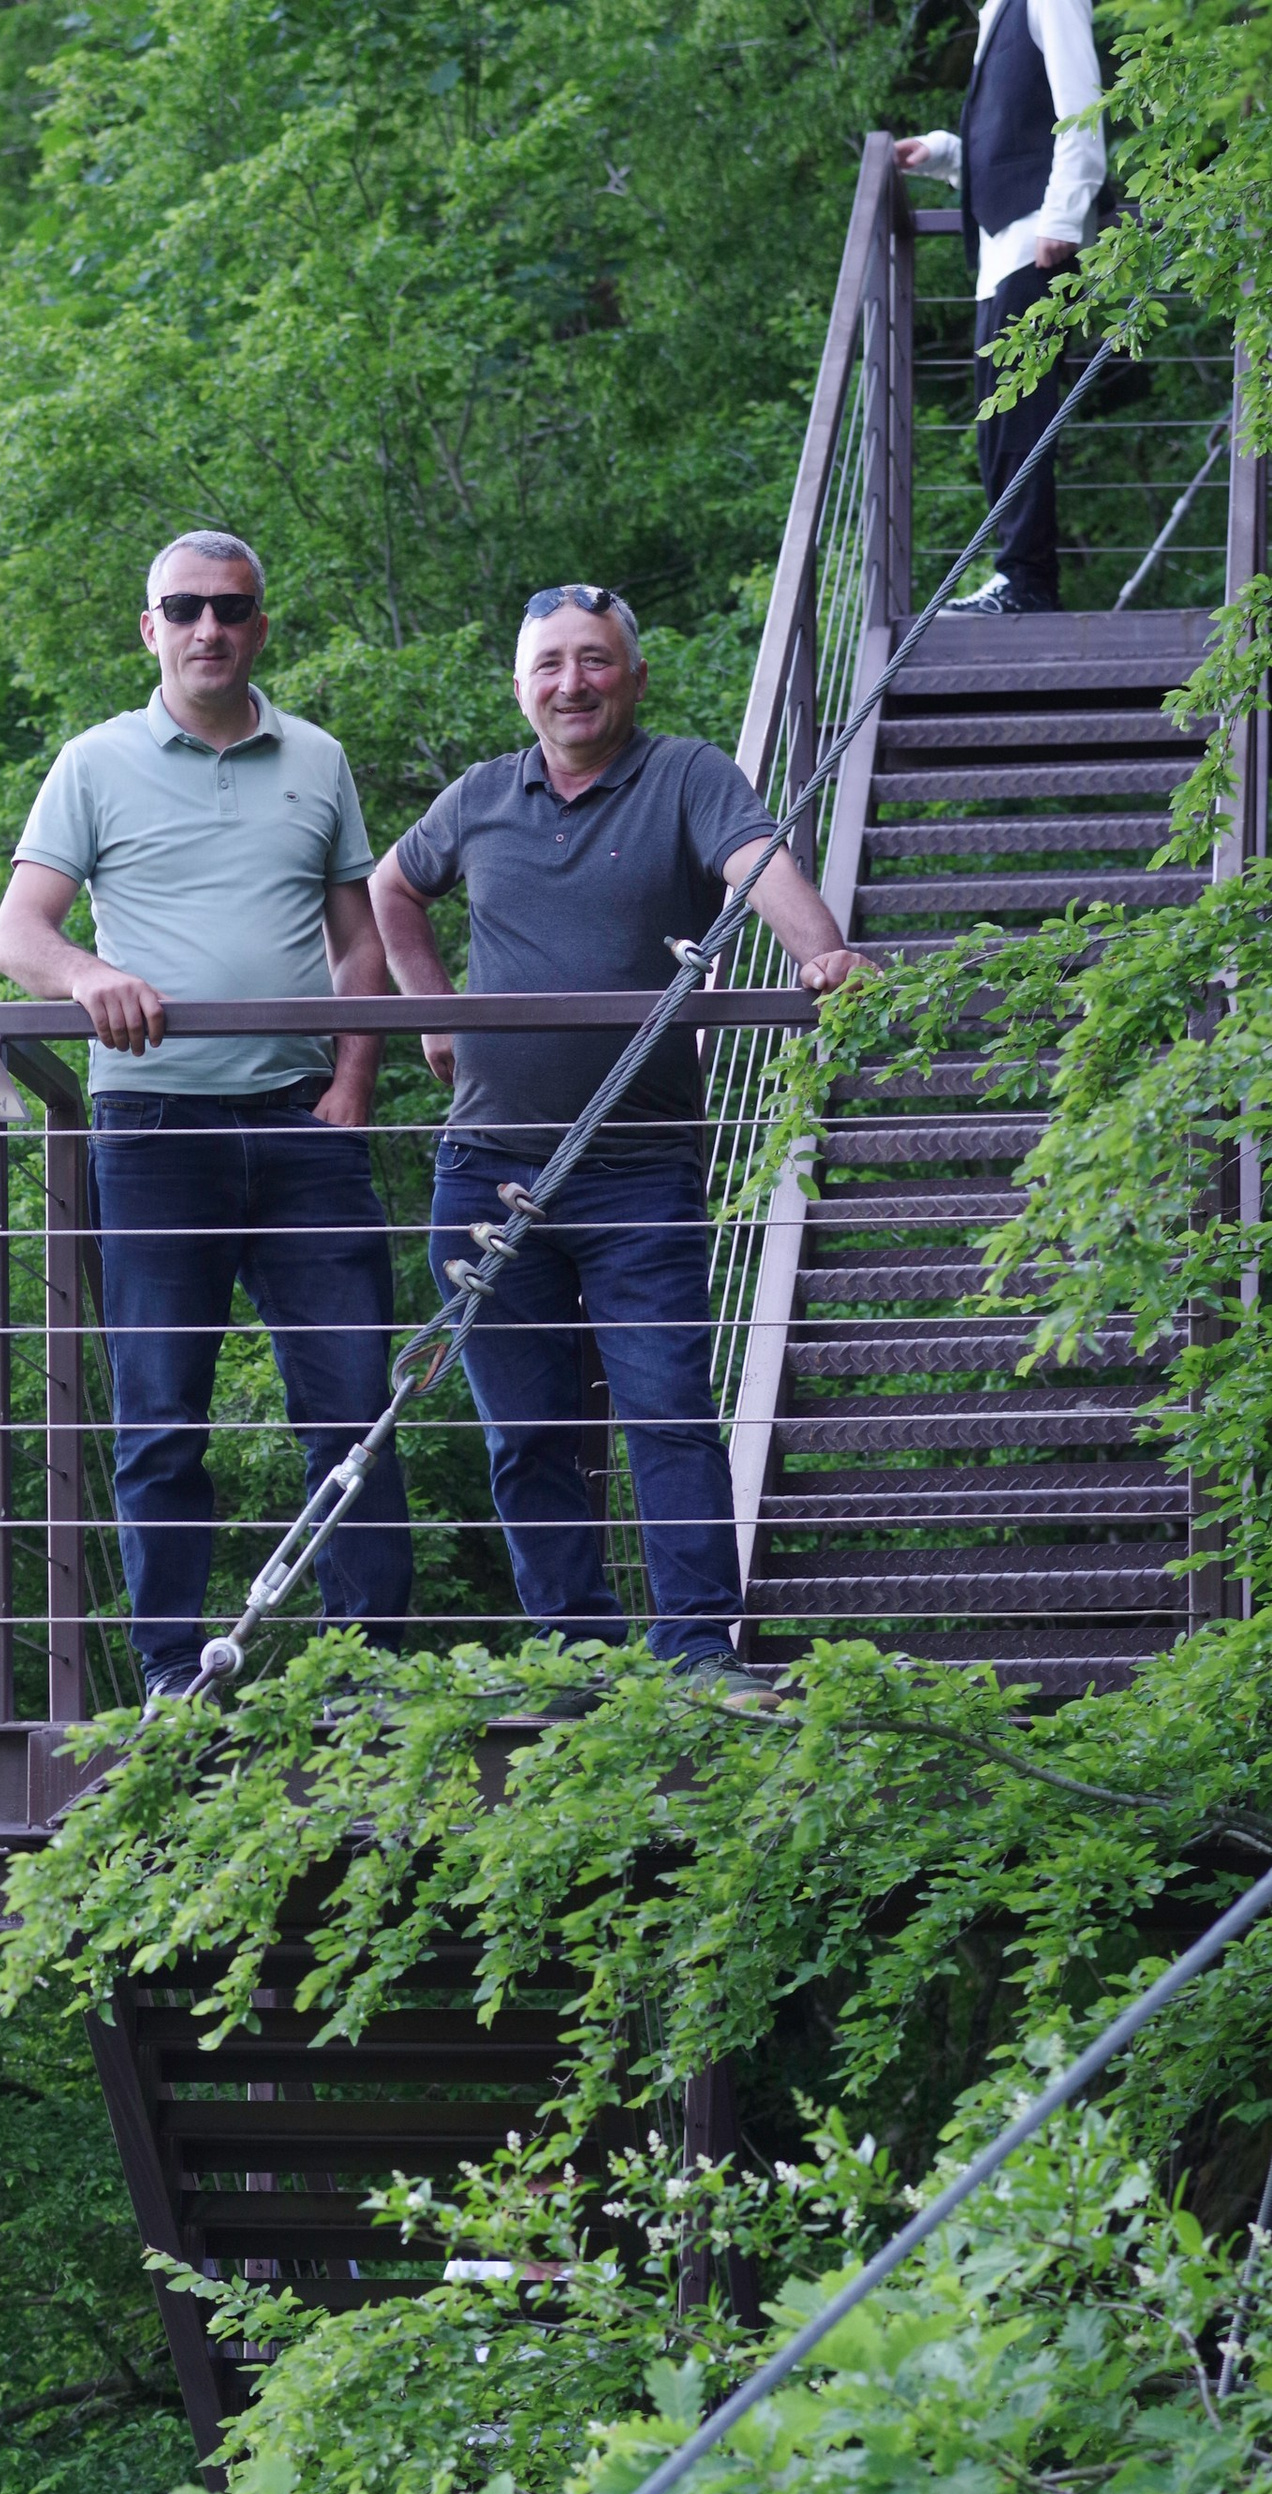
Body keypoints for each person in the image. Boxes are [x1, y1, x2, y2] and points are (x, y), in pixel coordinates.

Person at [373, 585, 868, 1699]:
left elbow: (752, 863)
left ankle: (698, 1653)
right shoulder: (478, 797)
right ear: (519, 687)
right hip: (484, 1168)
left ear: (632, 678)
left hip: (637, 1166)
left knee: (666, 1412)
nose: (571, 683)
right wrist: (432, 1012)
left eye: (594, 661)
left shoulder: (686, 773)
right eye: (548, 664)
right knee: (527, 1434)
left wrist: (822, 949)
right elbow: (390, 888)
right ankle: (576, 1664)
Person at [0, 529, 413, 1702]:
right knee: (162, 1415)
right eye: (183, 610)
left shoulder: (317, 758)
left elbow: (358, 940)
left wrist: (352, 1087)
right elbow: (16, 934)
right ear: (149, 629)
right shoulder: (93, 762)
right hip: (152, 1132)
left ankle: (371, 1674)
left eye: (229, 609)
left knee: (350, 1408)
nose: (207, 629)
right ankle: (175, 1673)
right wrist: (84, 979)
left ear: (260, 625)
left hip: (300, 1128)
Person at [899, 0, 1104, 619]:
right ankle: (1016, 576)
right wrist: (940, 153)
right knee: (998, 427)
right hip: (1003, 252)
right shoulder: (996, 13)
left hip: (1037, 243)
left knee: (1020, 417)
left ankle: (1028, 582)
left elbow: (1083, 113)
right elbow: (1010, 148)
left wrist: (1065, 216)